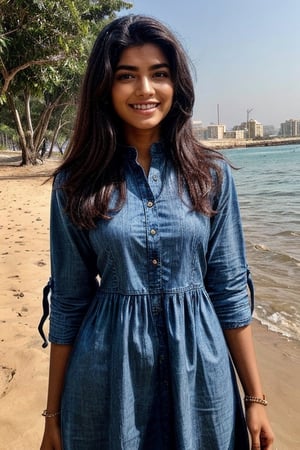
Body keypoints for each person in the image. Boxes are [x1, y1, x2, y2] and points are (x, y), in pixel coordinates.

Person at [40, 14, 274, 450]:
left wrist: (255, 398)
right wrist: (52, 414)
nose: (145, 90)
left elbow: (229, 289)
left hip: (202, 371)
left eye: (159, 74)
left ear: (176, 85)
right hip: (109, 373)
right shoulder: (75, 183)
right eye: (127, 76)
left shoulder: (212, 175)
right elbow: (70, 302)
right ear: (105, 88)